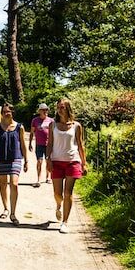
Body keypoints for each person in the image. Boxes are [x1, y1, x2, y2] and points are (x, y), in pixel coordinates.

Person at [46, 98, 87, 234]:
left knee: (68, 192)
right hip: (56, 161)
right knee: (58, 193)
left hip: (72, 161)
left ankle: (65, 222)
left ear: (68, 108)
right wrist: (48, 159)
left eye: (62, 107)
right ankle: (59, 204)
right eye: (58, 107)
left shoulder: (77, 126)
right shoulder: (52, 125)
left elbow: (80, 145)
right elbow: (50, 143)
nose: (60, 109)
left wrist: (84, 163)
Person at [0, 103, 29, 224]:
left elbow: (23, 144)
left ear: (12, 113)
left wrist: (26, 160)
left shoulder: (19, 127)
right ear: (1, 114)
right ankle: (6, 208)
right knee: (3, 184)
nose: (7, 113)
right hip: (0, 158)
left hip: (15, 158)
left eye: (8, 111)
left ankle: (13, 213)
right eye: (4, 111)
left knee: (14, 183)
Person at [28, 102, 53, 187]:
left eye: (46, 110)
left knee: (48, 161)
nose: (45, 111)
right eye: (43, 110)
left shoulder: (51, 120)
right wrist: (30, 143)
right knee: (39, 161)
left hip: (48, 144)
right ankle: (38, 179)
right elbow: (32, 132)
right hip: (39, 144)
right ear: (39, 111)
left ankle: (48, 177)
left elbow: (54, 133)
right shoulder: (35, 120)